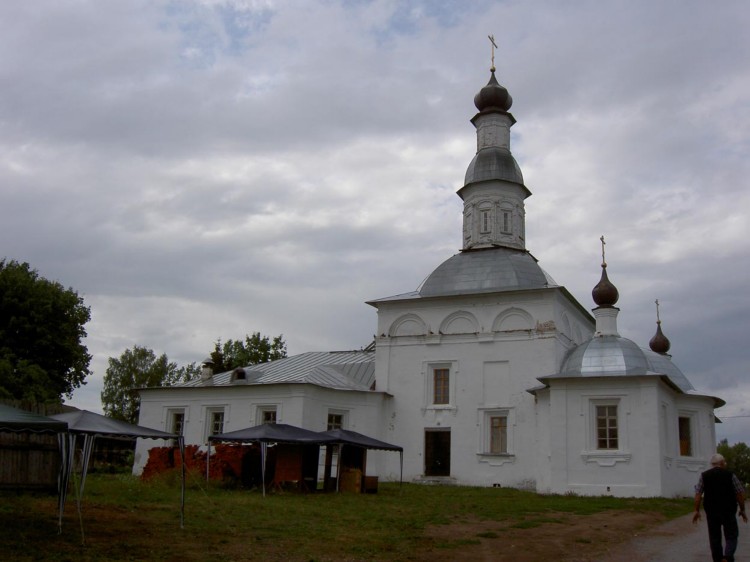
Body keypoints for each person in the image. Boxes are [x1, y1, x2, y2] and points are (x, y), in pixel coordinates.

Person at [693, 453, 748, 562]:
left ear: (712, 464)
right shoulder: (730, 475)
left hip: (712, 512)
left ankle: (718, 559)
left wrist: (696, 510)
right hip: (728, 510)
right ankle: (727, 557)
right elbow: (739, 494)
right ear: (722, 463)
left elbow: (698, 494)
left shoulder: (704, 476)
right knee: (732, 535)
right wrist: (742, 509)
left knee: (714, 538)